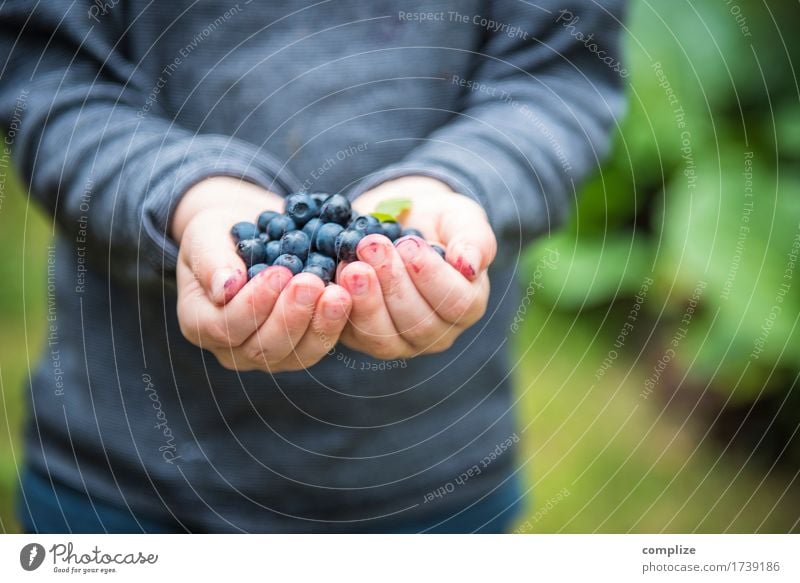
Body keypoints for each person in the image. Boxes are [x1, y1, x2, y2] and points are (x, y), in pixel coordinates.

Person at [0, 1, 625, 533]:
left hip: (431, 472)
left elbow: (559, 77)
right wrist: (189, 197)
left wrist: (453, 184)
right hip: (121, 474)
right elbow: (50, 77)